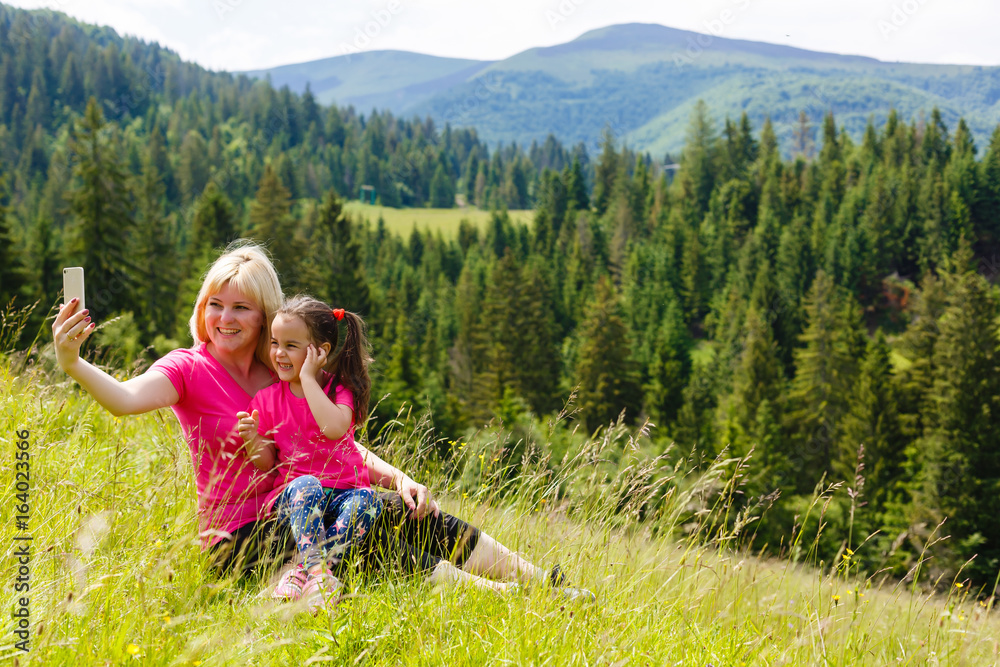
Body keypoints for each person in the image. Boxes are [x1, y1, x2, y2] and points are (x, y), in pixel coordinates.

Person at [51, 241, 589, 599]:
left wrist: (400, 478)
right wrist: (74, 362)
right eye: (216, 304)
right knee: (370, 536)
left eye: (241, 307)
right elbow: (122, 398)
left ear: (265, 316)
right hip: (238, 536)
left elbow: (338, 448)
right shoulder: (187, 368)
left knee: (405, 512)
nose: (225, 318)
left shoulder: (285, 370)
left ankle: (546, 586)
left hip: (309, 508)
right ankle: (498, 597)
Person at [238, 296, 519, 611]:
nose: (278, 352)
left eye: (291, 345)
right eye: (275, 343)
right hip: (299, 497)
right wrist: (252, 440)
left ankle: (323, 573)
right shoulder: (267, 400)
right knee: (306, 485)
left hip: (346, 494)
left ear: (321, 352)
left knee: (368, 503)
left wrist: (307, 379)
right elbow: (266, 461)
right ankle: (311, 568)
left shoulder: (338, 390)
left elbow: (334, 427)